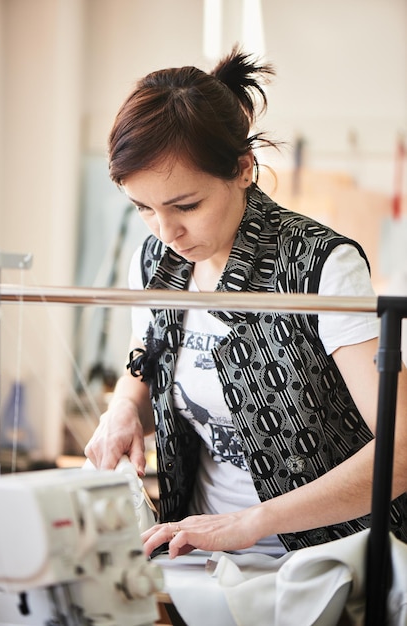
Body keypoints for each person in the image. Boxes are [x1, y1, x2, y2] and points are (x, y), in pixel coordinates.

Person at [84, 46, 407, 559]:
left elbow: (402, 450)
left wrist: (252, 523)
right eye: (144, 208)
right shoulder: (155, 263)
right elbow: (144, 361)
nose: (167, 232)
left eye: (186, 205)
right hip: (201, 554)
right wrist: (124, 407)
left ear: (243, 170)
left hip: (330, 560)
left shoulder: (320, 265)